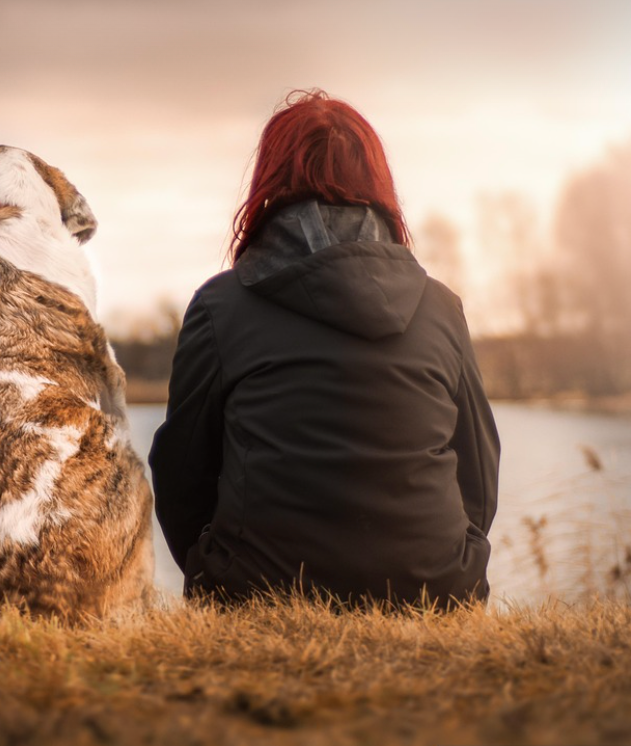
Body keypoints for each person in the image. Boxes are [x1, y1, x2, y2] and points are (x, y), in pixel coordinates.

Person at [147, 89, 499, 608]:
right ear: (377, 183)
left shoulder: (221, 307)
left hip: (257, 592)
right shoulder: (441, 307)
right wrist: (453, 560)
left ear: (269, 182)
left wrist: (213, 568)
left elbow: (181, 473)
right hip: (435, 591)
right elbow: (479, 471)